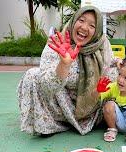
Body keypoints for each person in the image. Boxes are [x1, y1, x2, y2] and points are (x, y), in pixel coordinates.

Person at [17, 6, 119, 136]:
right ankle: (49, 125)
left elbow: (110, 61)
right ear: (73, 21)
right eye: (81, 20)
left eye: (92, 26)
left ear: (97, 30)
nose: (84, 27)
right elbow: (46, 86)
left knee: (119, 73)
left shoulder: (102, 43)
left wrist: (119, 63)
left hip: (92, 108)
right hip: (61, 106)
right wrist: (64, 64)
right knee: (32, 75)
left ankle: (101, 118)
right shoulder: (57, 42)